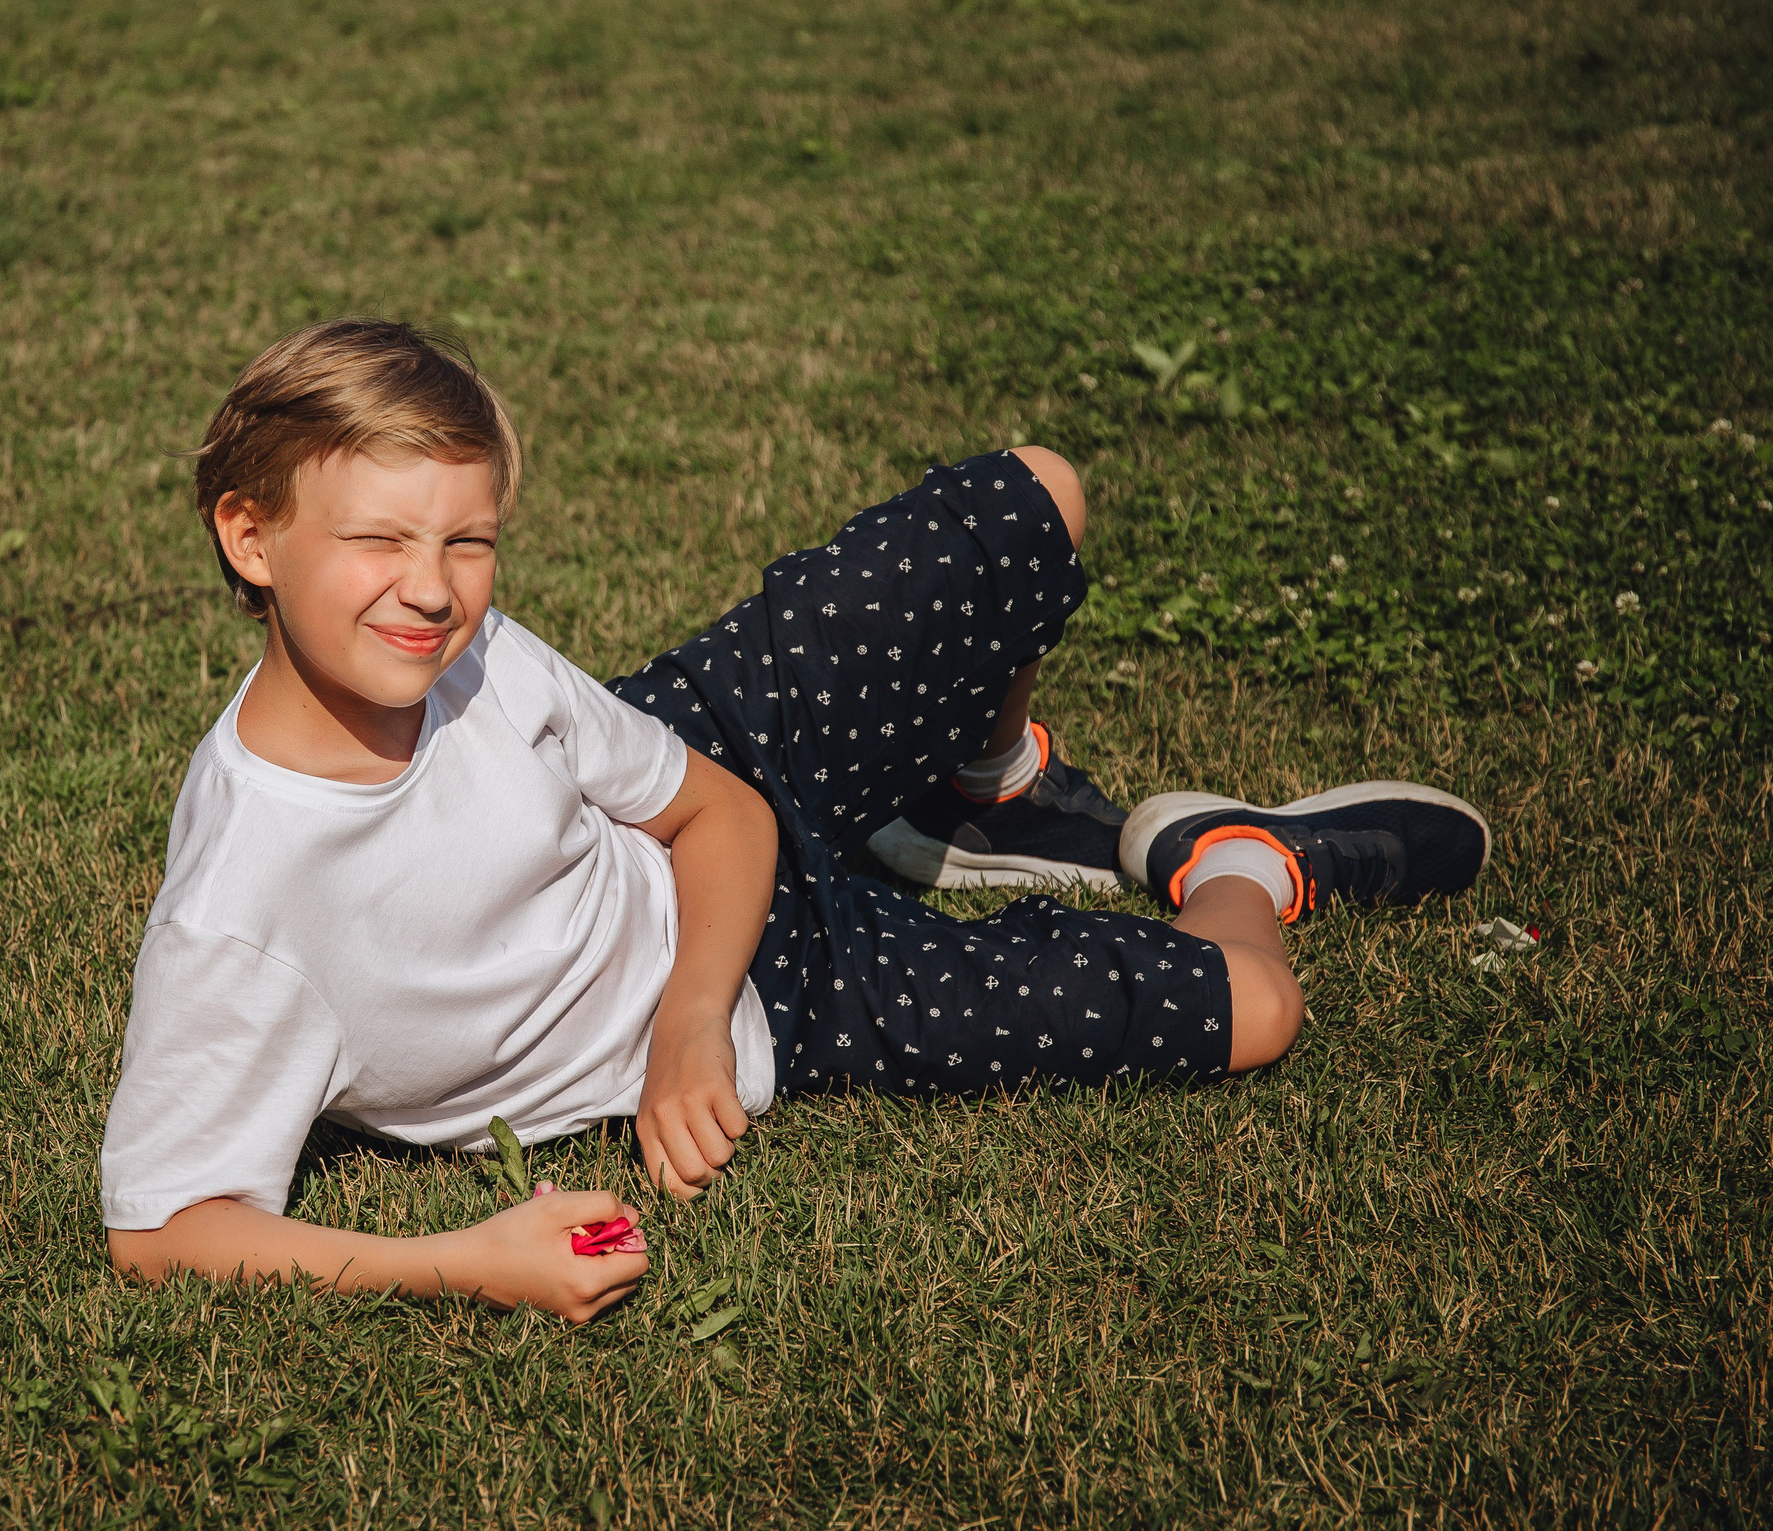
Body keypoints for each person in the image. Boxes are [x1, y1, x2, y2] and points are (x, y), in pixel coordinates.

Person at [100, 318, 1489, 1322]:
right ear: (250, 536)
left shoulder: (478, 657)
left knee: (1037, 499)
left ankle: (991, 790)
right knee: (1256, 1008)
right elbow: (164, 1230)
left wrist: (682, 1012)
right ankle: (1240, 855)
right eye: (378, 542)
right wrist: (478, 1257)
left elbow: (716, 811)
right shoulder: (246, 904)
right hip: (798, 997)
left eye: (469, 540)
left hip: (702, 836)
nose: (434, 589)